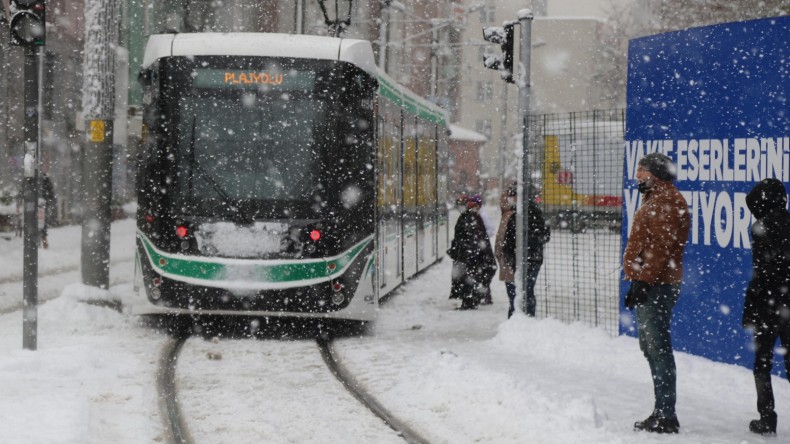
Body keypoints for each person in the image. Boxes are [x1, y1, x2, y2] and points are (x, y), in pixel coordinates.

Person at [623, 152, 690, 434]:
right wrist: (639, 277)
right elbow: (649, 245)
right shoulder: (655, 198)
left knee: (658, 348)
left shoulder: (665, 201)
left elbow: (660, 248)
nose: (637, 175)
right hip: (652, 282)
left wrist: (644, 281)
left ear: (656, 174)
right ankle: (661, 411)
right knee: (650, 347)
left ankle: (665, 414)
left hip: (658, 286)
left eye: (642, 170)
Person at [742, 178, 790, 436]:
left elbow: (761, 274)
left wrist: (750, 310)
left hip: (769, 306)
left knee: (762, 363)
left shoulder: (761, 227)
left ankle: (767, 417)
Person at [495, 184, 549, 318]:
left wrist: (509, 253)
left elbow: (510, 238)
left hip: (521, 259)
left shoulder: (521, 213)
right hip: (529, 258)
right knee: (526, 291)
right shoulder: (528, 211)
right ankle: (526, 318)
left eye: (512, 196)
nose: (510, 199)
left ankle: (518, 319)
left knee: (518, 293)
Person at [448, 194, 496, 310]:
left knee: (468, 277)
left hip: (469, 255)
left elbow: (470, 238)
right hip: (470, 254)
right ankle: (472, 299)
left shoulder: (469, 217)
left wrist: (463, 250)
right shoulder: (472, 216)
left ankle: (469, 301)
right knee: (471, 276)